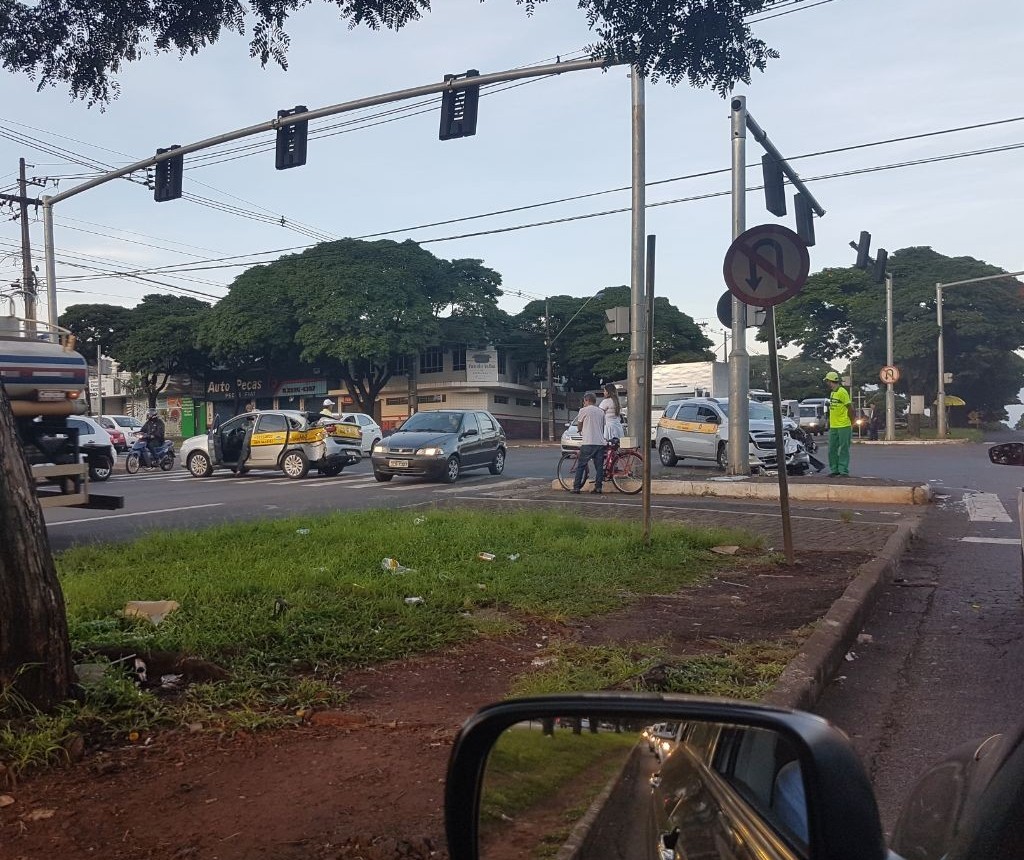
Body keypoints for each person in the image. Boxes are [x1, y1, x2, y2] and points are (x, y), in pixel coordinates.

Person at [572, 392, 606, 494]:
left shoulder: (583, 410)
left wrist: (579, 430)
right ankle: (598, 487)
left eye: (584, 401)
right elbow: (603, 426)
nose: (584, 403)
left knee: (581, 465)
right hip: (599, 443)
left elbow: (579, 424)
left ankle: (577, 487)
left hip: (588, 442)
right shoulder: (601, 412)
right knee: (599, 466)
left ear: (586, 400)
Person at [824, 371, 852, 477]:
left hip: (844, 425)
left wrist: (851, 421)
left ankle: (843, 470)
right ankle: (834, 469)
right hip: (834, 426)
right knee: (832, 449)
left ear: (830, 381)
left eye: (827, 381)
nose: (827, 383)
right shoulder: (832, 393)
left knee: (844, 448)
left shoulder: (842, 392)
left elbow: (850, 407)